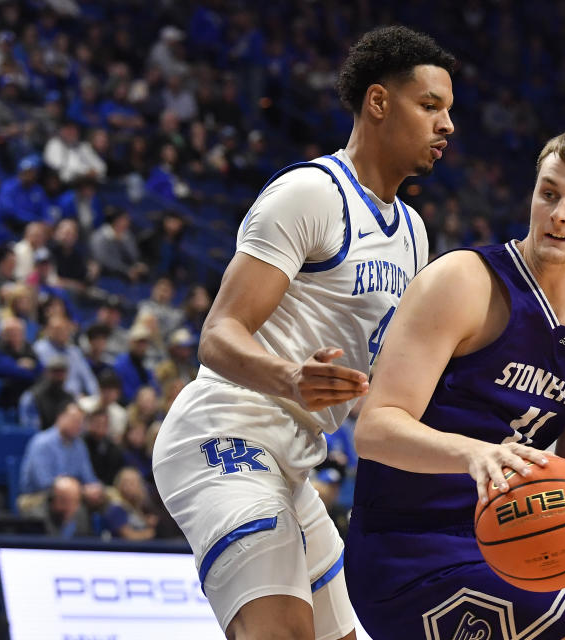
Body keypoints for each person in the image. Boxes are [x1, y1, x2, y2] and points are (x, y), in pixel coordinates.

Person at [152, 26, 455, 640]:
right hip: (227, 433)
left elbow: (413, 376)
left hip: (293, 463)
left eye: (448, 110)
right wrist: (290, 375)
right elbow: (218, 333)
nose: (446, 124)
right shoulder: (311, 193)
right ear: (378, 102)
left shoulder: (415, 233)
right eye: (430, 106)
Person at [346, 123, 565, 640]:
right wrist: (473, 453)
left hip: (510, 549)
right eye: (549, 194)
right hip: (406, 551)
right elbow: (375, 429)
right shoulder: (465, 281)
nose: (559, 214)